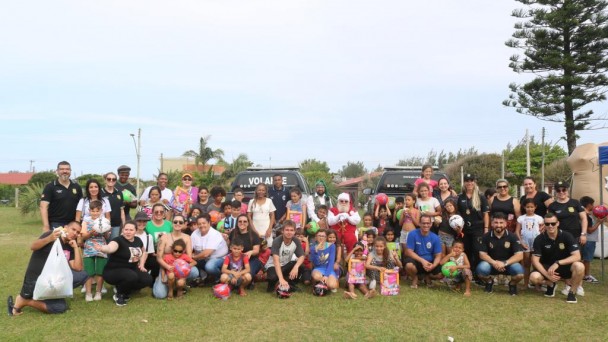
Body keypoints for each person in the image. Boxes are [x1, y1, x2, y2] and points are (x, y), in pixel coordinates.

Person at [8, 222, 87, 316]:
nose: (75, 233)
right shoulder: (53, 234)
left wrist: (75, 248)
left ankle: (32, 299)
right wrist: (50, 238)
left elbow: (78, 268)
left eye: (78, 232)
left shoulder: (70, 245)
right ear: (66, 228)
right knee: (58, 306)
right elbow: (33, 246)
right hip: (37, 277)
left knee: (61, 306)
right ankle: (23, 301)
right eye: (73, 229)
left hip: (53, 280)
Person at [529, 213, 585, 304]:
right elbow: (535, 261)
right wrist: (547, 276)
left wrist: (558, 263)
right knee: (534, 277)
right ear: (544, 224)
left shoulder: (567, 236)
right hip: (547, 267)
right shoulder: (539, 239)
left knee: (580, 266)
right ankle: (551, 284)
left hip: (564, 266)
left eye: (553, 223)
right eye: (547, 224)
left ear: (558, 223)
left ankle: (572, 293)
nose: (550, 226)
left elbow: (577, 256)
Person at [97, 221, 153, 306]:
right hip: (113, 270)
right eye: (126, 229)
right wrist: (103, 248)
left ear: (135, 231)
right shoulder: (118, 240)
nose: (128, 232)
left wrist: (141, 264)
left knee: (147, 279)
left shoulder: (138, 240)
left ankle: (124, 289)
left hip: (131, 269)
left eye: (131, 230)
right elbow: (110, 248)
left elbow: (144, 252)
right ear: (122, 230)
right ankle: (120, 295)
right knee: (131, 276)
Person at [477, 212, 524, 295]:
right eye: (496, 222)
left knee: (519, 273)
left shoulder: (512, 236)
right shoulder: (486, 236)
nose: (498, 225)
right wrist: (494, 263)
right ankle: (489, 282)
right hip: (492, 264)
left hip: (508, 265)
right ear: (491, 223)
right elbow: (482, 254)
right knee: (481, 269)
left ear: (506, 223)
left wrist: (504, 263)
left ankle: (512, 284)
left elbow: (519, 255)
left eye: (501, 223)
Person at [154, 214, 200, 298]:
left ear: (183, 224)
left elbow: (189, 257)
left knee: (194, 271)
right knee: (160, 295)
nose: (177, 223)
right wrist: (167, 267)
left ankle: (180, 284)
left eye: (180, 222)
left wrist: (181, 269)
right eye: (175, 221)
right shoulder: (164, 237)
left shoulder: (187, 238)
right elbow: (159, 257)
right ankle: (162, 280)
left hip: (181, 267)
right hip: (166, 266)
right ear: (172, 223)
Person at [457, 173, 490, 278]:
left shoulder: (481, 196)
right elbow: (459, 214)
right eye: (467, 181)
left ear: (474, 182)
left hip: (478, 228)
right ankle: (467, 273)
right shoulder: (460, 197)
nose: (469, 183)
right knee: (466, 250)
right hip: (465, 229)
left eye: (471, 181)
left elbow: (486, 214)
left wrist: (486, 229)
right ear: (464, 183)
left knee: (477, 250)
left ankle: (477, 274)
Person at [40, 161, 83, 231]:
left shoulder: (76, 186)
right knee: (57, 242)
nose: (65, 171)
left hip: (72, 223)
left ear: (70, 171)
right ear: (57, 171)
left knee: (72, 242)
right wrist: (46, 225)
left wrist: (78, 222)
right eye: (62, 169)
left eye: (67, 169)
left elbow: (81, 206)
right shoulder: (50, 186)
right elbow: (43, 207)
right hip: (55, 223)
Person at [80, 200, 109, 302]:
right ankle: (88, 293)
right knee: (89, 271)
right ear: (89, 211)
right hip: (89, 248)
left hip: (101, 247)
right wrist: (91, 233)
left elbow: (107, 236)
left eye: (98, 211)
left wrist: (105, 231)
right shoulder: (86, 221)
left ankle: (98, 292)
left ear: (101, 210)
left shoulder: (104, 220)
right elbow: (83, 236)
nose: (95, 213)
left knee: (100, 271)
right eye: (93, 211)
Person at [265, 220, 305, 292]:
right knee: (272, 278)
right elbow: (276, 261)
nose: (289, 232)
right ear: (282, 231)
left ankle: (291, 284)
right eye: (287, 230)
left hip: (285, 264)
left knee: (300, 266)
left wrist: (296, 267)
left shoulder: (296, 240)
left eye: (291, 230)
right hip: (273, 265)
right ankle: (274, 284)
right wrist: (281, 279)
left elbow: (302, 256)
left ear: (294, 231)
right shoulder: (277, 241)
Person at [404, 215, 443, 288]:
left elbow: (438, 255)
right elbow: (408, 252)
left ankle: (427, 276)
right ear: (419, 223)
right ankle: (415, 278)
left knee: (441, 274)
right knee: (409, 265)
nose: (426, 225)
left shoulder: (435, 237)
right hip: (416, 261)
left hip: (429, 263)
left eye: (428, 223)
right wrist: (422, 261)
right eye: (423, 223)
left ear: (431, 224)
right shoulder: (412, 234)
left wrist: (433, 266)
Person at [548, 181, 588, 247]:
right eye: (558, 190)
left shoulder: (575, 202)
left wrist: (583, 234)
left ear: (567, 190)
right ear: (556, 192)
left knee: (577, 256)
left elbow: (584, 218)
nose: (561, 192)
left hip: (576, 237)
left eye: (564, 190)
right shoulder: (552, 206)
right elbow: (550, 222)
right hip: (560, 237)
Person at [515, 198, 544, 289]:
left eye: (532, 207)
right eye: (528, 207)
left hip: (537, 244)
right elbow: (517, 231)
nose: (530, 209)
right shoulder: (521, 218)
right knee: (526, 264)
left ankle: (537, 285)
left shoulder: (539, 218)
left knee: (536, 264)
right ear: (524, 207)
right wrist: (521, 242)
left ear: (535, 207)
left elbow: (542, 230)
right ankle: (525, 284)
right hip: (525, 243)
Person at [191, 213, 229, 282]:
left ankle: (222, 277)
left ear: (209, 223)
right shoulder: (195, 233)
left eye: (204, 223)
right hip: (203, 259)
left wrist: (194, 257)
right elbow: (190, 248)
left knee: (209, 266)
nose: (201, 225)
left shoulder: (214, 234)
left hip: (219, 258)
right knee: (190, 262)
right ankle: (205, 276)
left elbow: (206, 254)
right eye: (199, 224)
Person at [145, 203, 173, 279]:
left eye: (161, 211)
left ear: (164, 213)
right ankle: (153, 277)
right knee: (156, 263)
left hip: (167, 252)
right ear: (152, 212)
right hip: (152, 254)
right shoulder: (147, 225)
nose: (159, 213)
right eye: (156, 211)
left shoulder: (169, 224)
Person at [580, 196, 602, 284]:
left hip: (588, 240)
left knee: (584, 258)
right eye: (592, 204)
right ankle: (586, 276)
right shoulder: (586, 216)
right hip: (589, 240)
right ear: (588, 204)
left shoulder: (586, 214)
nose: (593, 206)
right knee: (587, 259)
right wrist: (599, 223)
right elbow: (589, 230)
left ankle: (583, 274)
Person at [101, 172, 126, 240]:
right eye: (109, 179)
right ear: (105, 180)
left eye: (113, 179)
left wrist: (124, 225)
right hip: (103, 225)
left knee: (113, 245)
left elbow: (122, 210)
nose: (111, 181)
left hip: (116, 225)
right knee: (103, 246)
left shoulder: (119, 193)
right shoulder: (100, 192)